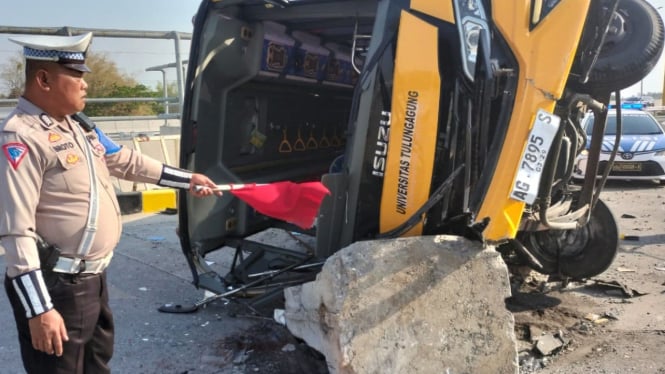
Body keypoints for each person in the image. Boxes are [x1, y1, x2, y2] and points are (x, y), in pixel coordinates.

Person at [0, 32, 219, 373]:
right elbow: (16, 231)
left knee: (97, 364)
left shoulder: (78, 127)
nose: (85, 84)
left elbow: (125, 160)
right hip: (56, 286)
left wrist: (187, 179)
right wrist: (39, 310)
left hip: (93, 280)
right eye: (76, 75)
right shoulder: (21, 137)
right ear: (43, 79)